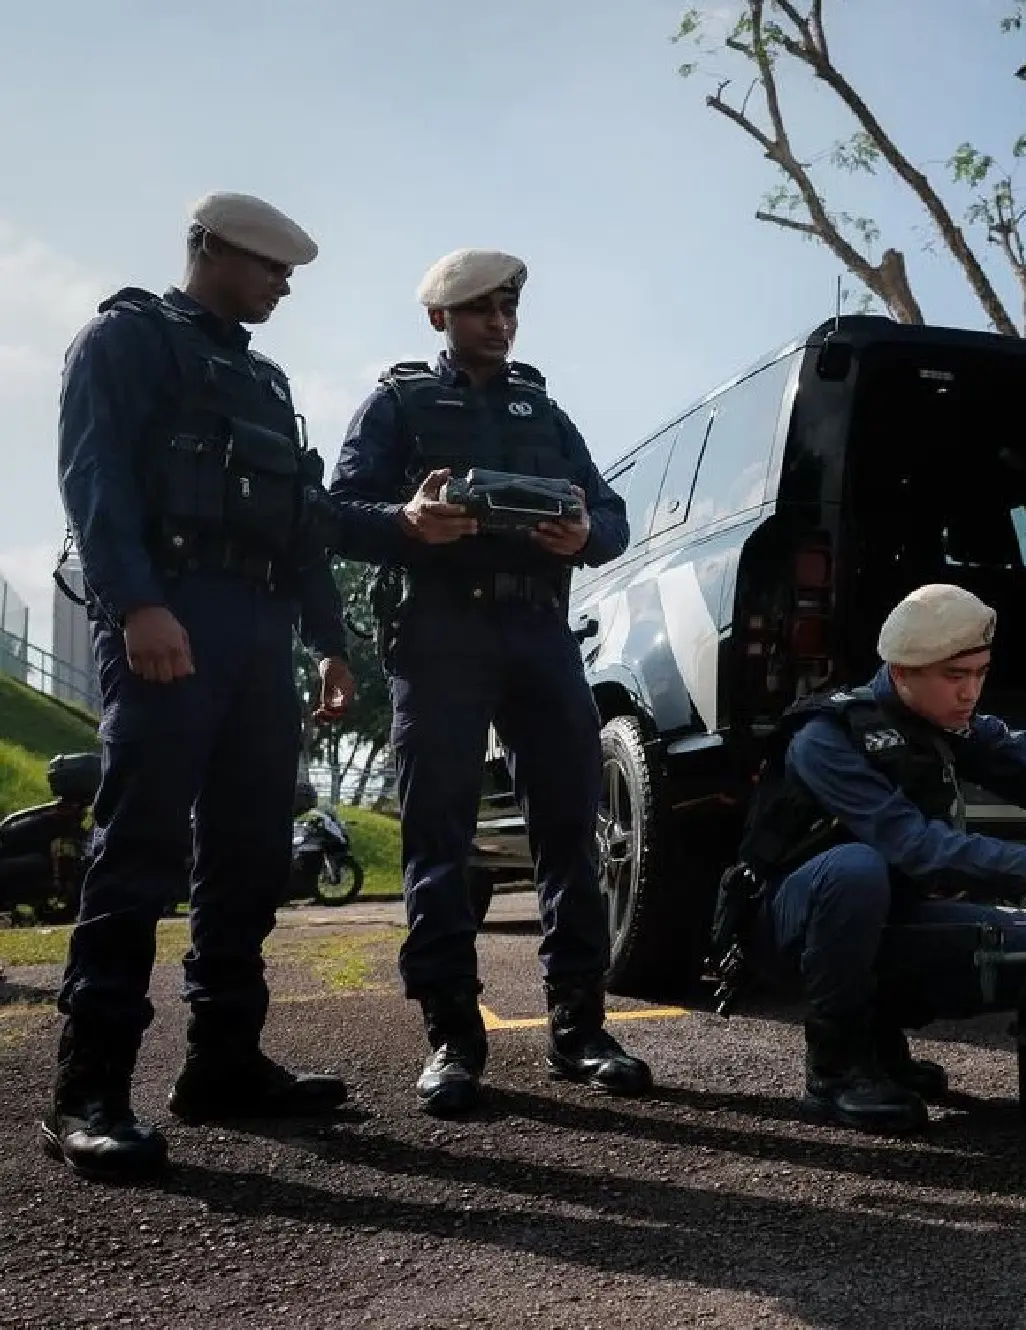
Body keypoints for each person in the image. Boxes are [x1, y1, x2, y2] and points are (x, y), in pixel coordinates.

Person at [44, 192, 357, 1181]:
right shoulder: (126, 341)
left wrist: (332, 642)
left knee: (252, 854)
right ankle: (88, 1090)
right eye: (270, 266)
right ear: (213, 249)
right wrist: (136, 605)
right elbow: (95, 482)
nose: (283, 284)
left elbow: (300, 522)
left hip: (260, 633)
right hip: (170, 616)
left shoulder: (264, 381)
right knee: (137, 849)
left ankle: (222, 1063)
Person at [327, 248, 648, 1117]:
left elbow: (611, 515)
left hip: (539, 631)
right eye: (478, 311)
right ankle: (452, 1040)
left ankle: (580, 1029)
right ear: (441, 319)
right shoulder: (397, 405)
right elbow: (337, 512)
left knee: (570, 830)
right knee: (440, 838)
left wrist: (582, 535)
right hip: (439, 632)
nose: (498, 323)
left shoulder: (542, 408)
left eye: (507, 308)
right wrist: (408, 521)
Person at [729, 583, 1026, 1134]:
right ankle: (836, 1067)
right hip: (788, 924)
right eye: (956, 677)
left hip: (886, 917)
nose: (970, 692)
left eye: (979, 673)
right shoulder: (826, 736)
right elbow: (919, 849)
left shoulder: (943, 722)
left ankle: (881, 1040)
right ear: (903, 672)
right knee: (855, 869)